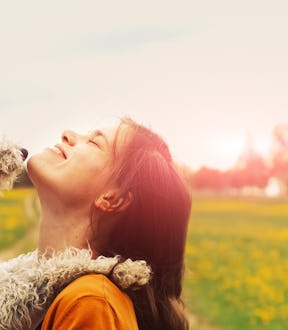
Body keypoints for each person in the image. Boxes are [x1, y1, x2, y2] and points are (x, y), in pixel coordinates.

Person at [27, 118, 191, 330]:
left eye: (94, 142)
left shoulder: (91, 304)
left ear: (113, 198)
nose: (67, 134)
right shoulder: (61, 299)